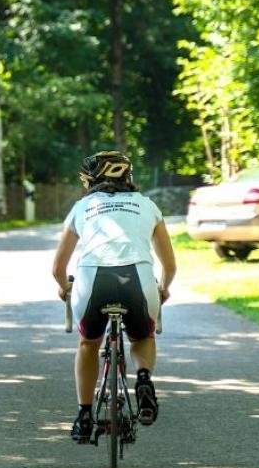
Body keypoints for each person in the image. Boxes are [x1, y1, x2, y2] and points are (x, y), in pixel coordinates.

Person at [51, 150, 177, 443]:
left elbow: (58, 267)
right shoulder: (147, 205)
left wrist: (65, 287)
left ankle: (83, 417)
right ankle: (143, 379)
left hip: (92, 283)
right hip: (139, 282)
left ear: (92, 181)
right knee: (143, 337)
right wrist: (164, 287)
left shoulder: (83, 207)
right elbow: (169, 265)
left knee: (88, 343)